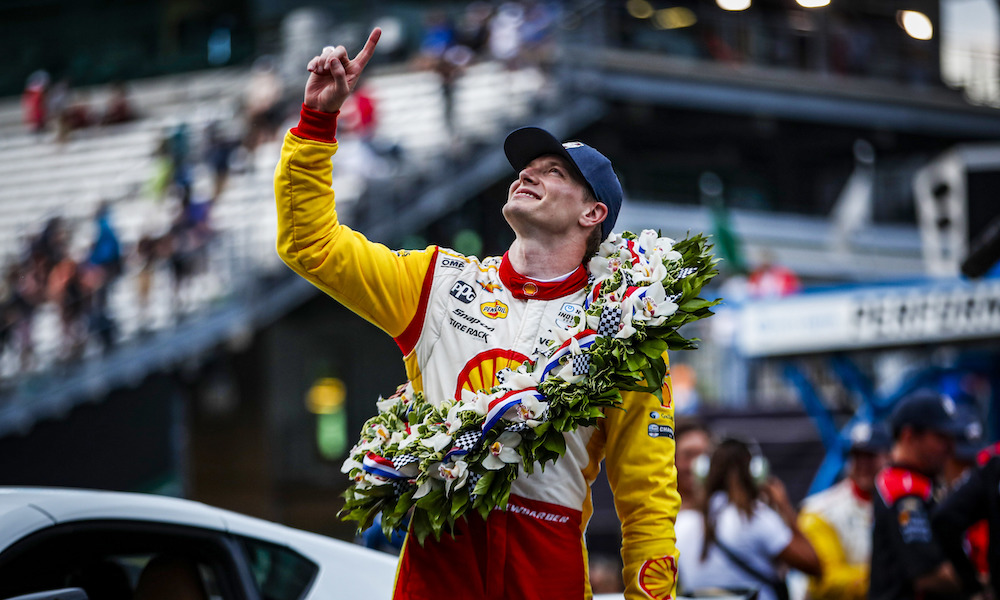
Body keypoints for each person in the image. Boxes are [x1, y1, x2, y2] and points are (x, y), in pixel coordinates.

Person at [274, 28, 680, 600]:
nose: (527, 174)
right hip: (437, 571)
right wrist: (317, 123)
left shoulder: (623, 327)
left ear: (594, 213)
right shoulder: (437, 282)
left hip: (547, 574)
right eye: (526, 166)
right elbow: (308, 244)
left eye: (554, 171)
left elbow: (648, 500)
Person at [675, 438, 821, 600]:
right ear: (756, 472)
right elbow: (813, 564)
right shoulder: (757, 517)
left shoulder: (681, 522)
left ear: (703, 472)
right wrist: (784, 506)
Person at [869, 390, 964, 600]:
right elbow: (929, 575)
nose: (950, 447)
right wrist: (981, 585)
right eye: (941, 437)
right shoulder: (903, 489)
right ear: (909, 436)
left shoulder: (922, 483)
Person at [797, 422, 890, 600]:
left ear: (889, 456)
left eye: (870, 456)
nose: (863, 464)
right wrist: (889, 576)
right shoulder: (819, 510)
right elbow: (827, 580)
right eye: (856, 456)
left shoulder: (903, 502)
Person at [932, 442, 1000, 598]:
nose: (963, 472)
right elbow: (944, 520)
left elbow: (943, 519)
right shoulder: (992, 465)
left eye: (968, 464)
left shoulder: (993, 464)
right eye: (959, 463)